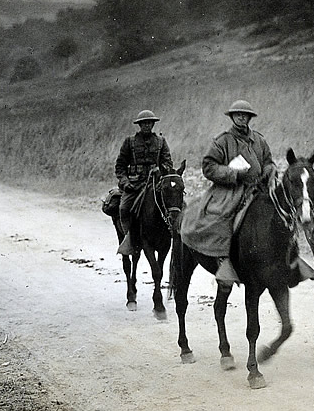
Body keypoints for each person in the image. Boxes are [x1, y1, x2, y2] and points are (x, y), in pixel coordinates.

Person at [181, 100, 275, 286]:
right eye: (238, 114)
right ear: (232, 117)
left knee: (279, 211)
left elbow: (268, 161)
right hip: (229, 190)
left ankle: (288, 259)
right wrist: (233, 173)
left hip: (257, 188)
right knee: (223, 215)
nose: (241, 117)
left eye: (245, 115)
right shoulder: (222, 141)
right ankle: (223, 259)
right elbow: (208, 167)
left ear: (249, 118)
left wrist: (268, 171)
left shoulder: (259, 140)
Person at [114, 110, 174, 256]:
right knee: (123, 208)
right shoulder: (130, 142)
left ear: (153, 124)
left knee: (175, 204)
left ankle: (176, 237)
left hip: (156, 184)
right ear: (139, 125)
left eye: (149, 123)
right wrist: (125, 182)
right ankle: (129, 239)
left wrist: (160, 169)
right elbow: (120, 166)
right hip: (135, 185)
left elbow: (168, 162)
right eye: (144, 123)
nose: (147, 125)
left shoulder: (161, 141)